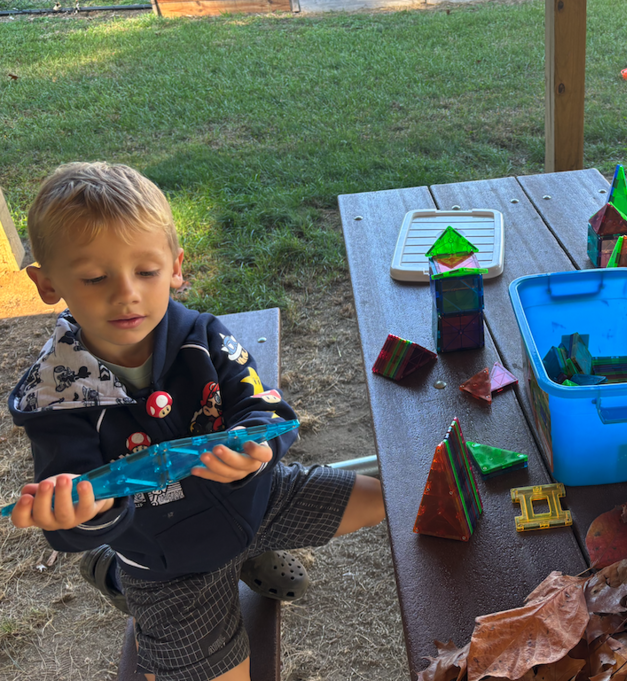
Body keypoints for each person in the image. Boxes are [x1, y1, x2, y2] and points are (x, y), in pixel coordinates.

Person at [7, 162, 386, 681]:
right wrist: (74, 512)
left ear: (176, 266)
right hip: (167, 565)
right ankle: (117, 575)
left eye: (146, 271)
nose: (127, 293)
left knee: (380, 499)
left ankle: (246, 554)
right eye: (95, 277)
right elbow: (77, 505)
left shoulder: (202, 336)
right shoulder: (55, 398)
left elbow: (267, 409)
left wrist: (258, 451)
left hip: (254, 502)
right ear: (47, 284)